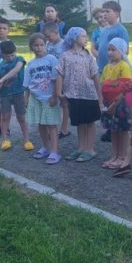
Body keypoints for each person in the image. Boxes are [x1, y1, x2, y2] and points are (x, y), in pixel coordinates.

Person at [56, 27, 103, 162]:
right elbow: (60, 74)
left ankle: (90, 149)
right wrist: (59, 92)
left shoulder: (88, 56)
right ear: (74, 38)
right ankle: (81, 147)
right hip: (73, 94)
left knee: (89, 122)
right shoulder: (65, 56)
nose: (86, 39)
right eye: (83, 36)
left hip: (89, 94)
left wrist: (99, 96)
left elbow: (95, 76)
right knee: (80, 123)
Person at [23, 33, 61, 164]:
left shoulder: (52, 59)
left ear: (45, 45)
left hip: (49, 98)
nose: (39, 48)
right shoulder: (30, 64)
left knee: (51, 125)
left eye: (41, 45)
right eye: (36, 45)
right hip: (35, 98)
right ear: (31, 47)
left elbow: (56, 80)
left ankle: (54, 151)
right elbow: (27, 84)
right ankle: (46, 147)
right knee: (41, 124)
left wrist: (54, 96)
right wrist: (26, 98)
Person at [0, 41, 32, 152]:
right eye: (7, 56)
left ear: (15, 52)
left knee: (21, 118)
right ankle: (5, 140)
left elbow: (15, 71)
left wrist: (2, 80)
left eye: (12, 55)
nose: (10, 58)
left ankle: (27, 140)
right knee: (5, 118)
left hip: (19, 93)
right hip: (5, 95)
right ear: (2, 54)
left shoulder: (19, 60)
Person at [100, 38, 132, 170]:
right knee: (113, 130)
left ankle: (122, 156)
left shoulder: (123, 66)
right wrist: (103, 102)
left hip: (120, 104)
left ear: (121, 51)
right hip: (109, 103)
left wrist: (114, 104)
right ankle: (114, 155)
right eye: (108, 49)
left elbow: (126, 88)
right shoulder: (106, 67)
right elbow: (103, 85)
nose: (110, 52)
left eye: (113, 49)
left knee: (123, 131)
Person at [43, 22, 71, 139]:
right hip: (50, 77)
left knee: (64, 103)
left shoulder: (64, 45)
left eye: (49, 36)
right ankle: (52, 127)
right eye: (46, 36)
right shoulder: (48, 44)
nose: (47, 38)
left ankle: (64, 128)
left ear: (56, 32)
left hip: (62, 77)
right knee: (51, 102)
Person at [96, 0, 130, 75]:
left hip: (114, 69)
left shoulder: (120, 30)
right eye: (103, 11)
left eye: (107, 11)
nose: (104, 14)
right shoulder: (104, 29)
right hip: (102, 67)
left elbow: (125, 50)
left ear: (116, 14)